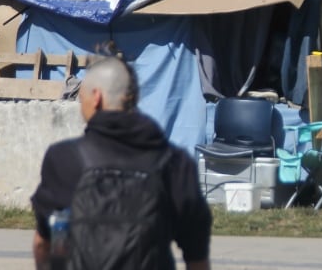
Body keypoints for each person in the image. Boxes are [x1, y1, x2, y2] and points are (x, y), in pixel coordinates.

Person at [31, 57, 212, 270]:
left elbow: (44, 243)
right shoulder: (176, 162)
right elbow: (197, 258)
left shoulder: (64, 158)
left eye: (82, 99)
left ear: (96, 97)